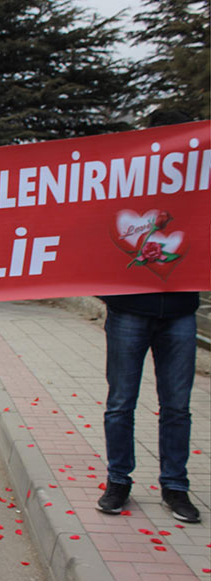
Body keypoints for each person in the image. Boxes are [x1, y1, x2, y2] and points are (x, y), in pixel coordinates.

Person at [97, 108, 202, 524]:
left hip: (180, 311)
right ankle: (118, 480)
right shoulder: (125, 182)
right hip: (129, 311)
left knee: (177, 406)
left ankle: (175, 486)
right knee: (121, 403)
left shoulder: (198, 187)